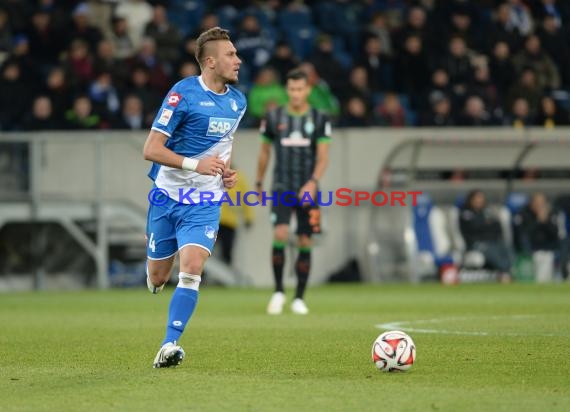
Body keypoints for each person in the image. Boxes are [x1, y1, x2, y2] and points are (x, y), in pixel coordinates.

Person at [142, 27, 246, 368]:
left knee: (192, 268)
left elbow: (223, 148)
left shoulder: (237, 101)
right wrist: (195, 164)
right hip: (167, 196)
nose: (238, 60)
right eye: (231, 54)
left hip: (203, 202)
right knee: (158, 277)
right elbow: (151, 149)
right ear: (211, 61)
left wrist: (224, 172)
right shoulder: (182, 93)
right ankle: (156, 277)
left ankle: (169, 343)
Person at [255, 68, 331, 315]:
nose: (296, 94)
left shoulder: (320, 118)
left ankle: (299, 297)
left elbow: (323, 157)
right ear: (287, 90)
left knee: (305, 239)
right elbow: (265, 152)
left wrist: (312, 182)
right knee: (280, 233)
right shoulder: (273, 117)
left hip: (308, 187)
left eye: (300, 89)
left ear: (307, 90)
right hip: (281, 187)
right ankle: (278, 292)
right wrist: (258, 182)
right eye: (292, 89)